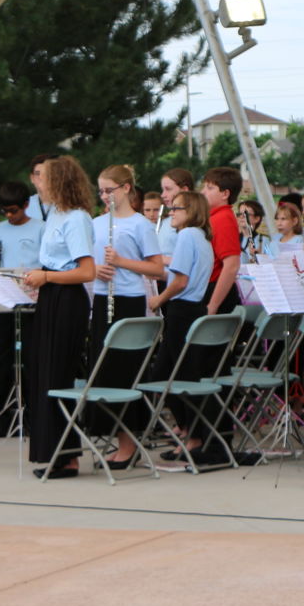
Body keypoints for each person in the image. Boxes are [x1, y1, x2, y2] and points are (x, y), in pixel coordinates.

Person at [22, 156, 96, 478]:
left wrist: (48, 278)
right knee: (42, 372)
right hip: (51, 295)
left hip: (66, 299)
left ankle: (67, 457)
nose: (37, 183)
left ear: (59, 181)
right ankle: (51, 452)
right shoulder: (54, 213)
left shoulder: (76, 218)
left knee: (57, 374)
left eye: (44, 177)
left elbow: (86, 271)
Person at [145, 190, 215, 463]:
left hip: (182, 310)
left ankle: (193, 434)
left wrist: (159, 299)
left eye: (176, 208)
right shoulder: (202, 238)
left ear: (192, 211)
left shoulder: (187, 235)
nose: (170, 212)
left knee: (174, 377)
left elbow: (180, 281)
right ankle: (189, 431)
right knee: (170, 374)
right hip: (193, 309)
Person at [92, 163, 163, 378]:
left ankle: (130, 411)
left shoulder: (140, 224)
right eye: (101, 191)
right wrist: (95, 269)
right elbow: (84, 262)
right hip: (102, 296)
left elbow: (156, 268)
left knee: (126, 365)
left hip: (129, 298)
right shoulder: (95, 223)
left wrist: (121, 261)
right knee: (100, 363)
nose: (104, 196)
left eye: (109, 190)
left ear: (125, 188)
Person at [0, 181, 38, 437]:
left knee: (30, 358)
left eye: (14, 210)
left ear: (26, 205)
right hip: (5, 300)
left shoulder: (41, 228)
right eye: (6, 211)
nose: (9, 216)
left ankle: (33, 413)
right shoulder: (0, 230)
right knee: (0, 356)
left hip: (32, 299)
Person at [201, 167, 244, 316]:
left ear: (225, 194)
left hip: (215, 290)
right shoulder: (215, 217)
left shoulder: (222, 219)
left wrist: (213, 305)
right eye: (204, 187)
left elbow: (231, 265)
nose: (203, 192)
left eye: (210, 188)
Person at [155, 167, 194, 260]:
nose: (163, 195)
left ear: (184, 190)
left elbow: (188, 260)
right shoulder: (166, 221)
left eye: (168, 189)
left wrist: (159, 260)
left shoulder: (193, 221)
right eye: (162, 190)